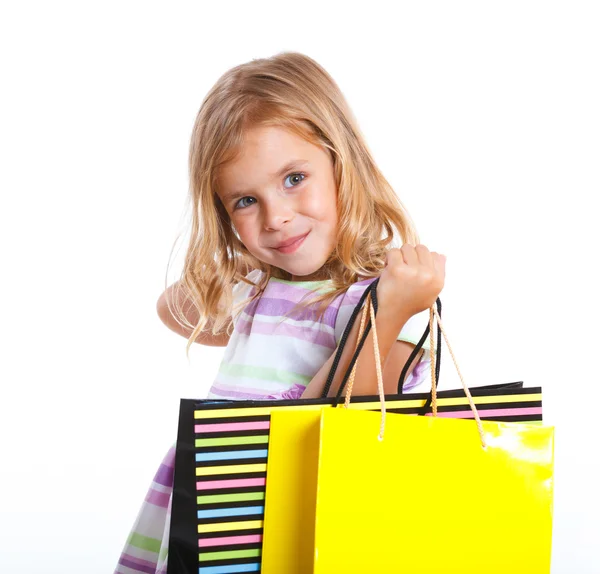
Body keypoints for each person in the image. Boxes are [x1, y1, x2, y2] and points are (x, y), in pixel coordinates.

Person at [114, 50, 445, 574]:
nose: (277, 217)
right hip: (216, 505)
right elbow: (171, 308)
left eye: (294, 179)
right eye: (245, 201)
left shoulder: (370, 300)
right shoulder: (257, 286)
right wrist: (237, 268)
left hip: (280, 522)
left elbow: (335, 421)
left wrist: (391, 307)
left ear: (343, 161)